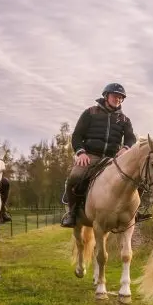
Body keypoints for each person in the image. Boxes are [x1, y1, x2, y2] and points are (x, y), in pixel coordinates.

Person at [60, 82, 139, 227]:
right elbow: (77, 136)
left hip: (113, 159)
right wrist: (81, 153)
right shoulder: (90, 112)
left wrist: (126, 148)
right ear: (106, 96)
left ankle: (133, 212)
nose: (118, 100)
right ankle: (72, 213)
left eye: (121, 98)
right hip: (90, 155)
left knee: (135, 177)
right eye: (116, 96)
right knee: (75, 177)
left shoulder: (124, 120)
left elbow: (131, 138)